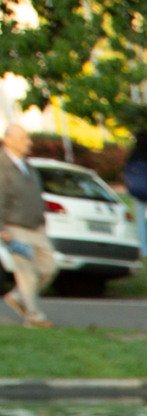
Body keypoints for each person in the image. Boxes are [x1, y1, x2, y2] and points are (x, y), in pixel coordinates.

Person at [0, 123, 57, 328]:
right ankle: (34, 317)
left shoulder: (27, 164)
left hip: (36, 227)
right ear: (8, 140)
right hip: (14, 226)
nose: (29, 142)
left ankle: (16, 297)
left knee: (48, 268)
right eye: (24, 138)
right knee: (25, 272)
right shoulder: (2, 165)